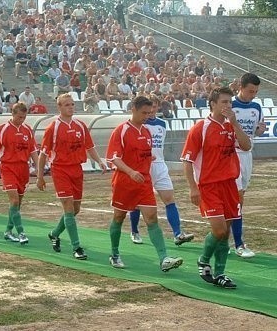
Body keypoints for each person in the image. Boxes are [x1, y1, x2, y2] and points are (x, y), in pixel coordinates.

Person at [181, 87, 251, 289]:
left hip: (230, 184)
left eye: (230, 102)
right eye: (224, 102)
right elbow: (187, 161)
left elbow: (246, 146)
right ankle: (203, 260)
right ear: (213, 104)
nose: (228, 106)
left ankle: (220, 273)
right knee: (219, 230)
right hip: (209, 186)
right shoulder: (200, 128)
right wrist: (193, 188)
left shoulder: (231, 127)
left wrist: (235, 123)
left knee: (226, 231)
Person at [106, 97, 183, 271]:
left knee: (151, 218)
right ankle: (115, 254)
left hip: (144, 183)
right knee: (118, 217)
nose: (147, 116)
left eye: (149, 113)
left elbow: (145, 155)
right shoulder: (121, 131)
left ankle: (164, 258)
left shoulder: (147, 131)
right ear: (133, 109)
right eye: (144, 113)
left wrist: (149, 158)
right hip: (124, 182)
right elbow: (114, 158)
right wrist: (131, 171)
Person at [37, 93, 107, 260]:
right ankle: (77, 247)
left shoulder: (80, 126)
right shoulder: (53, 128)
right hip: (60, 170)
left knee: (75, 209)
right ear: (59, 107)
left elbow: (89, 147)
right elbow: (43, 154)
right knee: (68, 206)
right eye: (66, 105)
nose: (70, 107)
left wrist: (100, 161)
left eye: (72, 104)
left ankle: (54, 234)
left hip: (77, 169)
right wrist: (40, 176)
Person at [128, 96, 194, 246]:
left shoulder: (162, 124)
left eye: (154, 107)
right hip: (143, 166)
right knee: (137, 201)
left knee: (169, 199)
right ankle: (135, 231)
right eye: (149, 107)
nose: (151, 111)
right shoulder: (139, 125)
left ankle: (178, 233)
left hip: (159, 165)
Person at [0, 102, 39, 244]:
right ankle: (21, 232)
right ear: (13, 114)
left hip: (23, 169)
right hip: (8, 167)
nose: (21, 120)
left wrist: (39, 169)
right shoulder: (2, 130)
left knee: (17, 203)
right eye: (19, 117)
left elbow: (33, 151)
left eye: (24, 117)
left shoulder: (27, 130)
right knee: (14, 200)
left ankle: (8, 231)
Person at [230, 73, 266, 259]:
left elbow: (259, 127)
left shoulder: (256, 107)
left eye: (256, 91)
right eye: (251, 91)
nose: (253, 94)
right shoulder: (230, 105)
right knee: (237, 199)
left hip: (247, 155)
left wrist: (261, 129)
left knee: (239, 198)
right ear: (241, 87)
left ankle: (226, 238)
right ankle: (238, 243)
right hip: (231, 155)